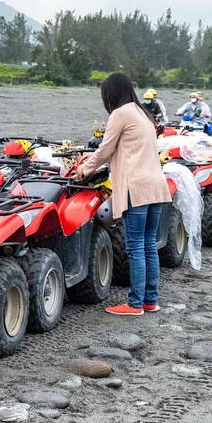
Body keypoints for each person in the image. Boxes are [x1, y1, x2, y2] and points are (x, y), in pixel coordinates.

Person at [77, 72, 171, 316]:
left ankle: (135, 304)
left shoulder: (120, 114)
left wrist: (84, 169)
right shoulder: (143, 114)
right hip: (156, 186)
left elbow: (105, 149)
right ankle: (150, 300)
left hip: (136, 188)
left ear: (111, 94)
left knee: (135, 247)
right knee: (149, 245)